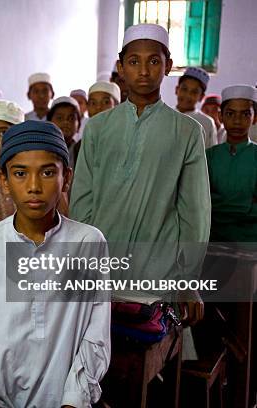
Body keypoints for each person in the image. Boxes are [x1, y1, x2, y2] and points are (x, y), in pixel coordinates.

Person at [0, 120, 110, 408]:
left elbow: (95, 341)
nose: (33, 186)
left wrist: (72, 401)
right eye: (20, 173)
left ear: (66, 178)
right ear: (4, 180)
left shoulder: (87, 243)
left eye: (47, 172)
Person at [71, 23, 210, 325]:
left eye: (154, 61)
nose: (144, 70)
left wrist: (189, 276)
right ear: (121, 67)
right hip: (101, 264)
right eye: (134, 61)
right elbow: (82, 201)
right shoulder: (97, 128)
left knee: (151, 354)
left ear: (168, 66)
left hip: (157, 270)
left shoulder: (187, 131)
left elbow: (194, 210)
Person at [206, 84, 257, 242]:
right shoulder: (209, 157)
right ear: (221, 117)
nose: (237, 121)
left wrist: (219, 205)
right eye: (230, 113)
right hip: (213, 240)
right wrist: (247, 204)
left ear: (254, 117)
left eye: (245, 114)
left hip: (250, 241)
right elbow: (200, 202)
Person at [175, 66, 218, 148]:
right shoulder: (164, 115)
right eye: (184, 89)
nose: (188, 95)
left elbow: (211, 154)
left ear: (201, 97)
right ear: (177, 89)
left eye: (194, 92)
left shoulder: (207, 123)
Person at [47, 96, 82, 169]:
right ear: (49, 123)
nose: (66, 122)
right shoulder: (39, 149)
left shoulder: (82, 149)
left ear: (79, 126)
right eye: (60, 118)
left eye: (71, 118)